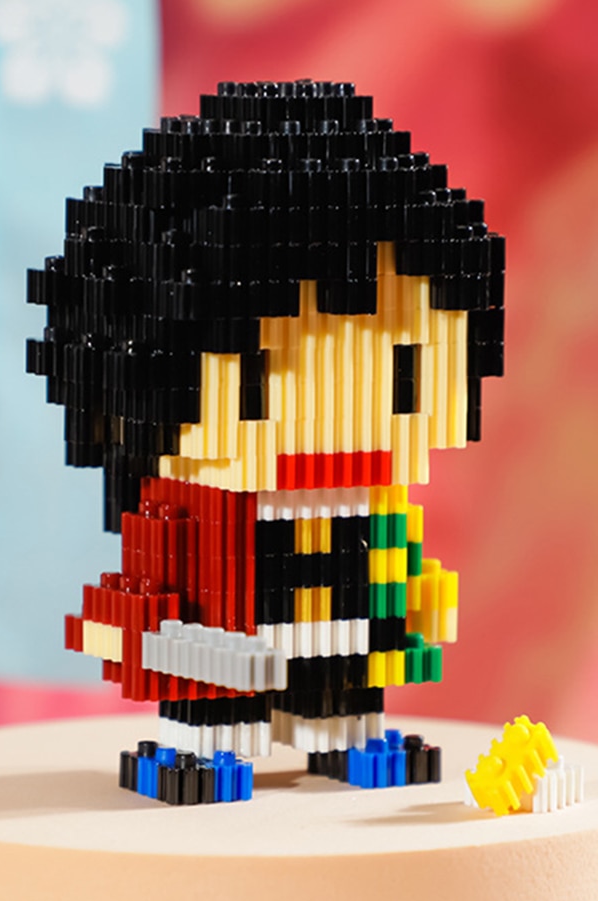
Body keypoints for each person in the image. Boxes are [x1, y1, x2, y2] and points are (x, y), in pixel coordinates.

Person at [27, 80, 505, 803]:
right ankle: (209, 749)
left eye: (405, 376)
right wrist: (163, 637)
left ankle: (345, 733)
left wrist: (416, 599)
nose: (346, 411)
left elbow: (395, 568)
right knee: (223, 710)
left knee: (343, 688)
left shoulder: (375, 501)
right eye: (258, 378)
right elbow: (131, 614)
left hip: (346, 644)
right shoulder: (188, 513)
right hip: (223, 660)